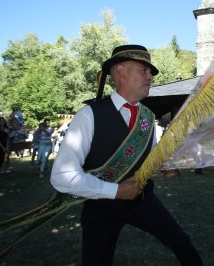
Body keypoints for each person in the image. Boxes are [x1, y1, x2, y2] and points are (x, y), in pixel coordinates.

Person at [51, 44, 202, 265]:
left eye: (150, 72)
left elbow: (146, 156)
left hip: (142, 200)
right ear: (121, 72)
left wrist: (163, 166)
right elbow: (61, 176)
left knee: (181, 243)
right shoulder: (89, 115)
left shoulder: (148, 117)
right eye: (144, 70)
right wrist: (116, 191)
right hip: (100, 206)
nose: (150, 76)